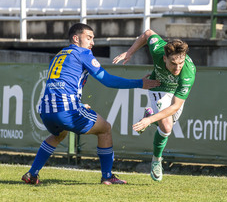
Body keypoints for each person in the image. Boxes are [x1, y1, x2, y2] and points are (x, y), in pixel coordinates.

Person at [21, 23, 160, 185]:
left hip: (45, 110)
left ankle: (32, 174)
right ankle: (107, 176)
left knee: (59, 134)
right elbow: (107, 80)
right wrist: (139, 83)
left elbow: (61, 85)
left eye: (93, 39)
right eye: (89, 38)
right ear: (75, 38)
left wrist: (78, 105)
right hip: (66, 110)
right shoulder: (83, 53)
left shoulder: (60, 54)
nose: (92, 43)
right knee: (105, 128)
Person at [113, 29, 196, 182]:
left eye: (180, 63)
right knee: (166, 127)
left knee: (165, 125)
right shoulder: (158, 49)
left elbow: (175, 106)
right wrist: (130, 52)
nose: (177, 68)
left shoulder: (188, 73)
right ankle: (157, 160)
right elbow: (147, 33)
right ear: (164, 58)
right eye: (173, 63)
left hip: (174, 93)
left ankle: (150, 116)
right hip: (157, 87)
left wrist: (149, 120)